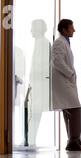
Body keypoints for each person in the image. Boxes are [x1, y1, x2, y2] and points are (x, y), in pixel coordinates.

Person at [51, 19, 81, 152]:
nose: (74, 30)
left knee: (70, 108)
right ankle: (74, 140)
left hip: (66, 81)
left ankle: (74, 140)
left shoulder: (65, 42)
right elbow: (57, 61)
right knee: (74, 108)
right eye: (71, 28)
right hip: (63, 81)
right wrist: (70, 73)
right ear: (64, 30)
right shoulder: (59, 43)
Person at [28, 19, 51, 147]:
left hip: (39, 85)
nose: (31, 30)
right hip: (36, 84)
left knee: (35, 112)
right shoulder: (39, 43)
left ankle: (31, 139)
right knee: (34, 112)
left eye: (33, 27)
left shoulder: (43, 43)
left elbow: (42, 66)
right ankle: (30, 139)